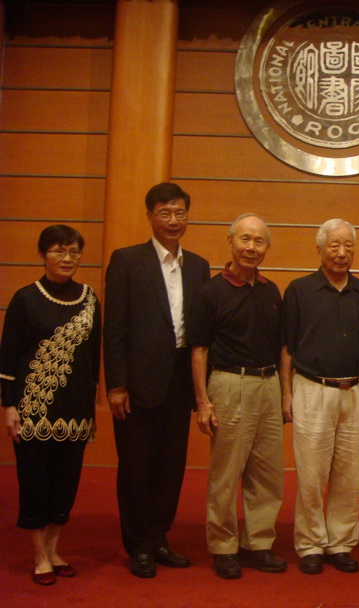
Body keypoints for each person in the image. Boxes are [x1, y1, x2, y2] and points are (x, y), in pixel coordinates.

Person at [104, 182, 210, 578]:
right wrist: (115, 384)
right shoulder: (127, 260)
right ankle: (138, 545)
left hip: (179, 385)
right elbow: (113, 328)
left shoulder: (198, 266)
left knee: (170, 467)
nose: (173, 220)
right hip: (136, 386)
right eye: (165, 213)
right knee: (135, 467)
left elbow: (200, 332)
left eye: (180, 212)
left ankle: (159, 537)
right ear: (150, 216)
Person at [280, 219, 359, 575]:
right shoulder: (299, 290)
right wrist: (286, 394)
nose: (342, 253)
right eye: (335, 246)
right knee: (311, 474)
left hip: (356, 391)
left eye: (348, 247)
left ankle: (340, 542)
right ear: (320, 250)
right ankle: (310, 543)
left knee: (352, 474)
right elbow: (286, 349)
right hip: (312, 390)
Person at [1, 225, 101, 586]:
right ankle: (39, 555)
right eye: (59, 251)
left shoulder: (90, 298)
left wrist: (91, 408)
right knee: (35, 482)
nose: (67, 259)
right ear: (42, 255)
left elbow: (92, 358)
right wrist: (8, 406)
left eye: (74, 251)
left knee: (65, 484)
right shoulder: (26, 298)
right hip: (32, 410)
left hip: (75, 412)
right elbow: (8, 357)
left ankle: (56, 549)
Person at [188, 214, 286, 579]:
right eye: (245, 239)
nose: (251, 247)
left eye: (259, 241)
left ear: (266, 248)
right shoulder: (211, 291)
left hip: (268, 385)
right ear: (230, 242)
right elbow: (198, 349)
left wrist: (283, 394)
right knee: (226, 473)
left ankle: (258, 543)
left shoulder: (271, 290)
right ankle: (224, 546)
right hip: (229, 385)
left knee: (267, 473)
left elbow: (281, 347)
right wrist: (203, 402)